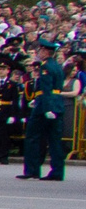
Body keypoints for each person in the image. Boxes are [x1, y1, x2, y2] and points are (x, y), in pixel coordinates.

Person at [21, 37, 73, 181]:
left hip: (45, 106)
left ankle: (32, 170)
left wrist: (46, 106)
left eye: (40, 50)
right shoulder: (56, 66)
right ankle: (57, 171)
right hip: (56, 104)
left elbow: (47, 88)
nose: (39, 52)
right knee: (55, 140)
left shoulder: (45, 67)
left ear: (45, 51)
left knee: (33, 138)